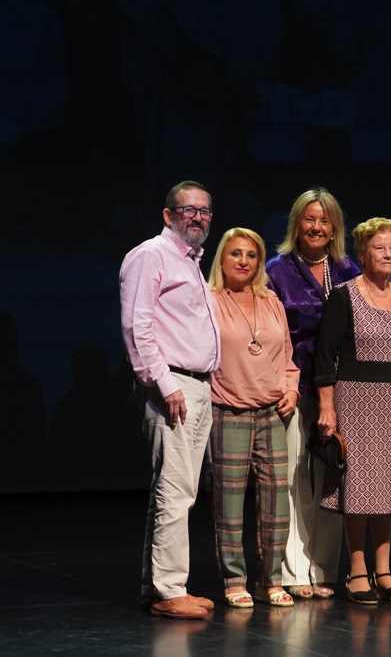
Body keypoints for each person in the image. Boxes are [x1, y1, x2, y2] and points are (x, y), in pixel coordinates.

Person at [313, 217, 391, 604]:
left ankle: (384, 572)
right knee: (360, 490)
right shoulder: (344, 296)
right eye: (379, 248)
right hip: (355, 400)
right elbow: (324, 356)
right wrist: (327, 408)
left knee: (390, 490)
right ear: (363, 254)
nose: (387, 254)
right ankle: (358, 571)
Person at [120, 180, 221, 619]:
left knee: (178, 490)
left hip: (198, 386)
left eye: (204, 211)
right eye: (187, 209)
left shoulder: (192, 263)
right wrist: (165, 384)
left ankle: (158, 586)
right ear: (168, 215)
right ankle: (168, 589)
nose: (196, 217)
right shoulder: (150, 255)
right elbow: (136, 327)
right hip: (174, 385)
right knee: (176, 491)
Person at [266, 187, 361, 600]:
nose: (317, 226)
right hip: (294, 384)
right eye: (309, 219)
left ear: (335, 226)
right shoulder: (276, 269)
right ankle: (293, 571)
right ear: (296, 224)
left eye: (324, 220)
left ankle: (322, 569)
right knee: (292, 480)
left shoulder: (346, 268)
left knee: (332, 478)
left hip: (343, 388)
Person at [207, 227, 301, 605]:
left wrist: (292, 389)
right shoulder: (210, 300)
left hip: (273, 411)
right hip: (228, 409)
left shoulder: (271, 301)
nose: (243, 261)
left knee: (277, 500)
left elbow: (288, 356)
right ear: (222, 259)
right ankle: (234, 581)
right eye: (236, 254)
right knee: (229, 501)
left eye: (251, 255)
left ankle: (271, 579)